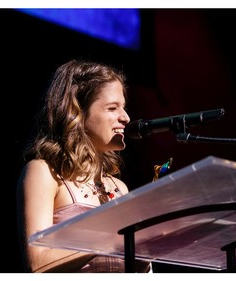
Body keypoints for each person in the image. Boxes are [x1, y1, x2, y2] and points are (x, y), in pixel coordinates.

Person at [16, 59, 151, 273]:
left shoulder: (119, 187)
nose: (126, 118)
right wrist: (113, 234)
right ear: (77, 112)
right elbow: (38, 263)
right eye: (112, 108)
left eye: (124, 108)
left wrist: (148, 248)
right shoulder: (44, 172)